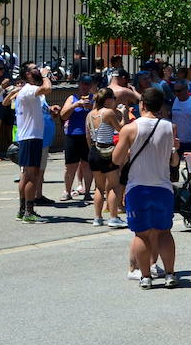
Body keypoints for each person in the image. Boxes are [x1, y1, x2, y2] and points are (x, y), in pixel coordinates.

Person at [113, 87, 179, 289]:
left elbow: (116, 159)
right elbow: (174, 162)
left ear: (142, 105)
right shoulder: (170, 127)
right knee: (164, 231)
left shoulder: (130, 129)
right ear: (161, 106)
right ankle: (169, 274)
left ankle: (145, 276)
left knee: (141, 233)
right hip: (163, 187)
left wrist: (130, 153)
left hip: (138, 187)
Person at [13, 67, 53, 223]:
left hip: (28, 137)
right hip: (31, 137)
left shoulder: (27, 91)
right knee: (32, 175)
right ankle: (29, 212)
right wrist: (45, 76)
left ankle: (23, 210)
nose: (37, 69)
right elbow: (48, 88)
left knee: (25, 175)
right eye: (33, 69)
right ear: (27, 75)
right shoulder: (29, 89)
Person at [86, 86, 126, 228]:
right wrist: (123, 113)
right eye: (113, 99)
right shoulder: (108, 113)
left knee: (99, 187)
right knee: (114, 186)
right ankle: (113, 217)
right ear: (108, 100)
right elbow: (121, 129)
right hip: (107, 150)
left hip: (94, 152)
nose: (115, 101)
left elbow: (88, 137)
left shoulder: (90, 114)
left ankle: (97, 218)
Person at [58, 75, 95, 203]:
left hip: (88, 136)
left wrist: (92, 107)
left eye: (87, 85)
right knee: (70, 166)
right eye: (82, 84)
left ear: (91, 87)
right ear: (79, 85)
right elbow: (63, 115)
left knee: (87, 165)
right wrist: (75, 105)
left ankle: (87, 192)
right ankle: (67, 191)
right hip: (72, 135)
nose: (84, 87)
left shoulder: (94, 99)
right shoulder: (72, 98)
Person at [170, 78, 191, 155]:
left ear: (186, 89)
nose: (176, 93)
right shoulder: (173, 101)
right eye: (175, 91)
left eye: (179, 91)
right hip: (176, 142)